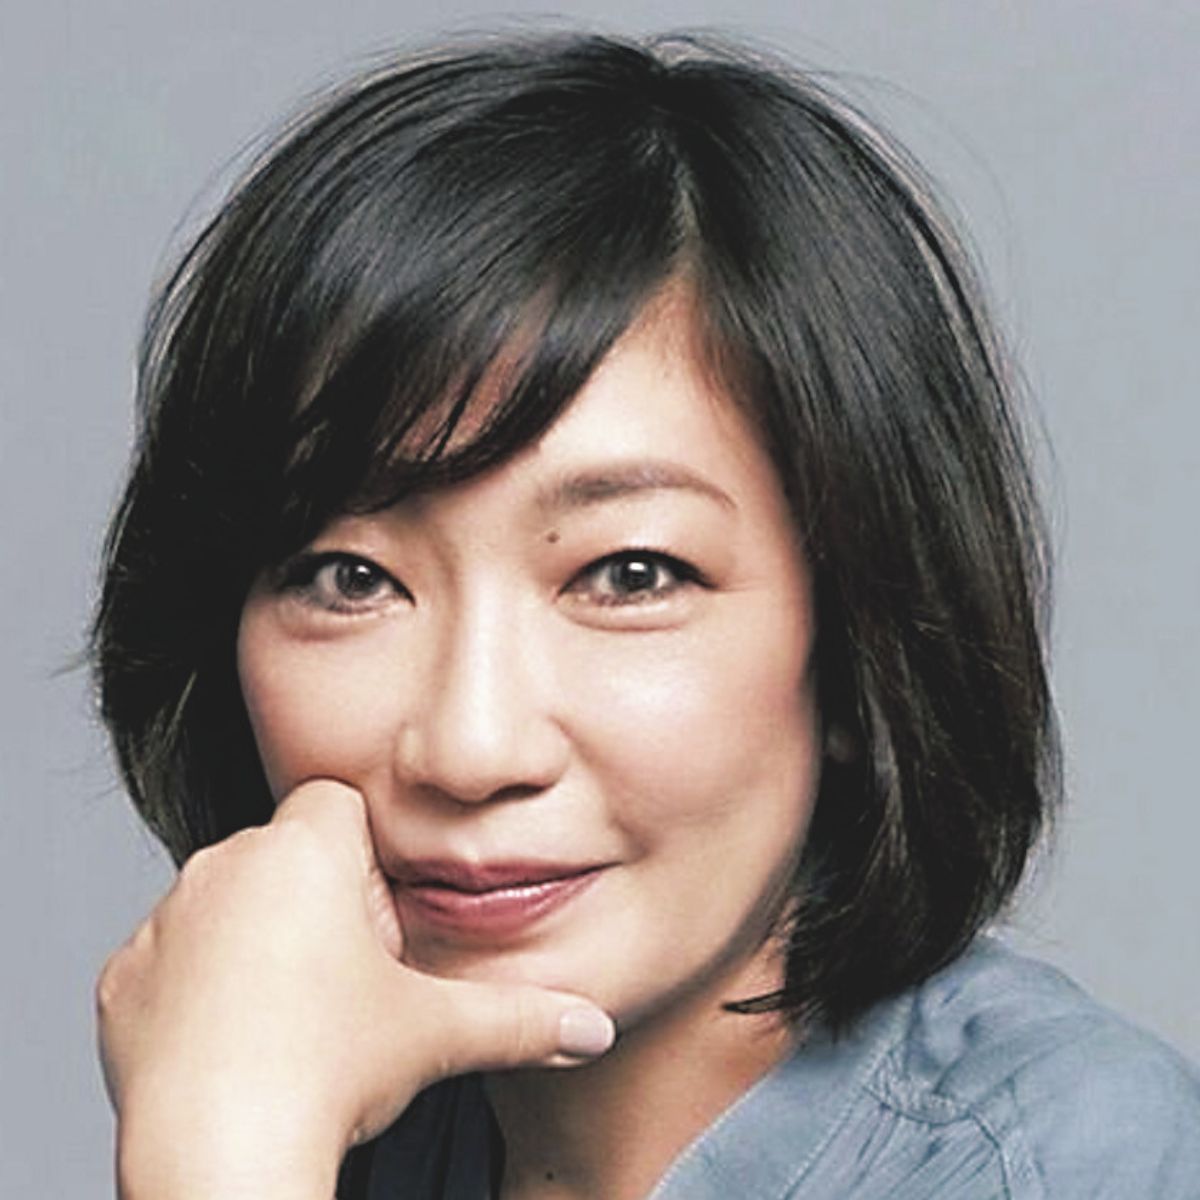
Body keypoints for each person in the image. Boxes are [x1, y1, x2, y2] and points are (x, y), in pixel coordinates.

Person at [91, 32, 1200, 1200]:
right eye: (350, 578)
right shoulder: (312, 1087)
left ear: (855, 635)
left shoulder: (1072, 1162)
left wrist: (220, 1157)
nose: (471, 749)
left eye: (629, 575)